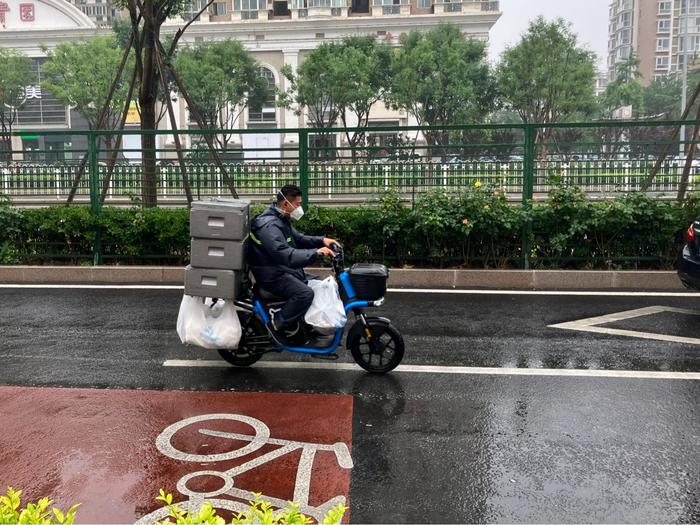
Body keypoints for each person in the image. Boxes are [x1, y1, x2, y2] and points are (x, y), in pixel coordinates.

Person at [248, 184, 339, 342]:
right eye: (297, 204)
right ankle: (278, 323)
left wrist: (322, 240)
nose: (300, 208)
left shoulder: (281, 218)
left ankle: (305, 322)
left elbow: (298, 238)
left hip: (279, 268)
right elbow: (286, 255)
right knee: (305, 293)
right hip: (271, 274)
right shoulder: (270, 226)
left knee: (317, 283)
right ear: (285, 204)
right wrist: (315, 253)